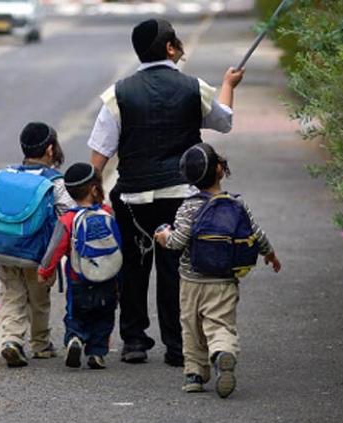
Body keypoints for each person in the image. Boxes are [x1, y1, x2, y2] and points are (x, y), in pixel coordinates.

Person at [87, 18, 245, 366]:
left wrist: (91, 196)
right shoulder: (194, 88)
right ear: (170, 48)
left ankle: (134, 342)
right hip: (183, 199)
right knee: (177, 271)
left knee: (134, 269)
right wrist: (229, 84)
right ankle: (177, 346)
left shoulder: (119, 94)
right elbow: (225, 122)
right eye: (176, 40)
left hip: (133, 200)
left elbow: (99, 156)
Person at [154, 143, 281, 398]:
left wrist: (164, 235)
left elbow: (178, 242)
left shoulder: (188, 207)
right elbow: (256, 234)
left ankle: (194, 375)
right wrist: (269, 254)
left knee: (191, 328)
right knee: (220, 323)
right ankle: (223, 352)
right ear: (220, 170)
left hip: (191, 281)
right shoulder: (237, 204)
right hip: (224, 280)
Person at [0, 122, 75, 367]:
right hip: (37, 254)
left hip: (4, 250)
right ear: (50, 150)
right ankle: (41, 345)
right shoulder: (56, 183)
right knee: (39, 297)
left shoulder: (6, 176)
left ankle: (11, 340)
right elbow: (68, 214)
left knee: (11, 295)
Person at [37, 163, 119, 370]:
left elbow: (54, 249)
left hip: (78, 279)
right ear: (94, 189)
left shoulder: (68, 219)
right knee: (104, 316)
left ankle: (75, 338)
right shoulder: (108, 212)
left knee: (76, 313)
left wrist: (44, 271)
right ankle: (97, 353)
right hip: (108, 278)